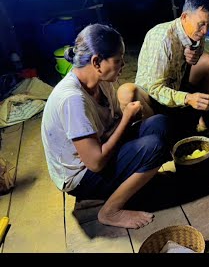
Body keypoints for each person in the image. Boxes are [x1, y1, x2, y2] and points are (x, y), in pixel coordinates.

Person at [41, 24, 171, 229]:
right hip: (82, 175)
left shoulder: (102, 81)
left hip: (102, 146)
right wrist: (127, 119)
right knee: (154, 146)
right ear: (96, 62)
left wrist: (128, 117)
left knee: (159, 124)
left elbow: (112, 125)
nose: (122, 66)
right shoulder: (72, 99)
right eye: (118, 61)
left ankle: (133, 181)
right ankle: (110, 211)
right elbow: (96, 163)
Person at [117, 0, 209, 134]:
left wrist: (192, 58)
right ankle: (158, 132)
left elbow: (193, 59)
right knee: (126, 92)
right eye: (201, 24)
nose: (205, 31)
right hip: (153, 98)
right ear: (184, 17)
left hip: (177, 85)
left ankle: (207, 118)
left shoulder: (197, 31)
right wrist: (187, 98)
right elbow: (155, 88)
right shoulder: (162, 38)